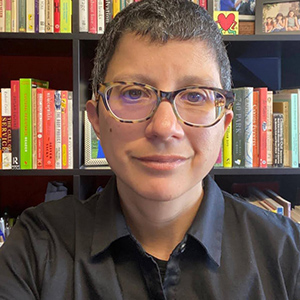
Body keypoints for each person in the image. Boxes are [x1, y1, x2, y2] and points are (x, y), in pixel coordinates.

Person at [0, 0, 300, 299]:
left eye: (195, 96)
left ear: (223, 124)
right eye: (133, 93)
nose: (164, 127)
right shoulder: (36, 249)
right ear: (96, 120)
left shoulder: (288, 254)